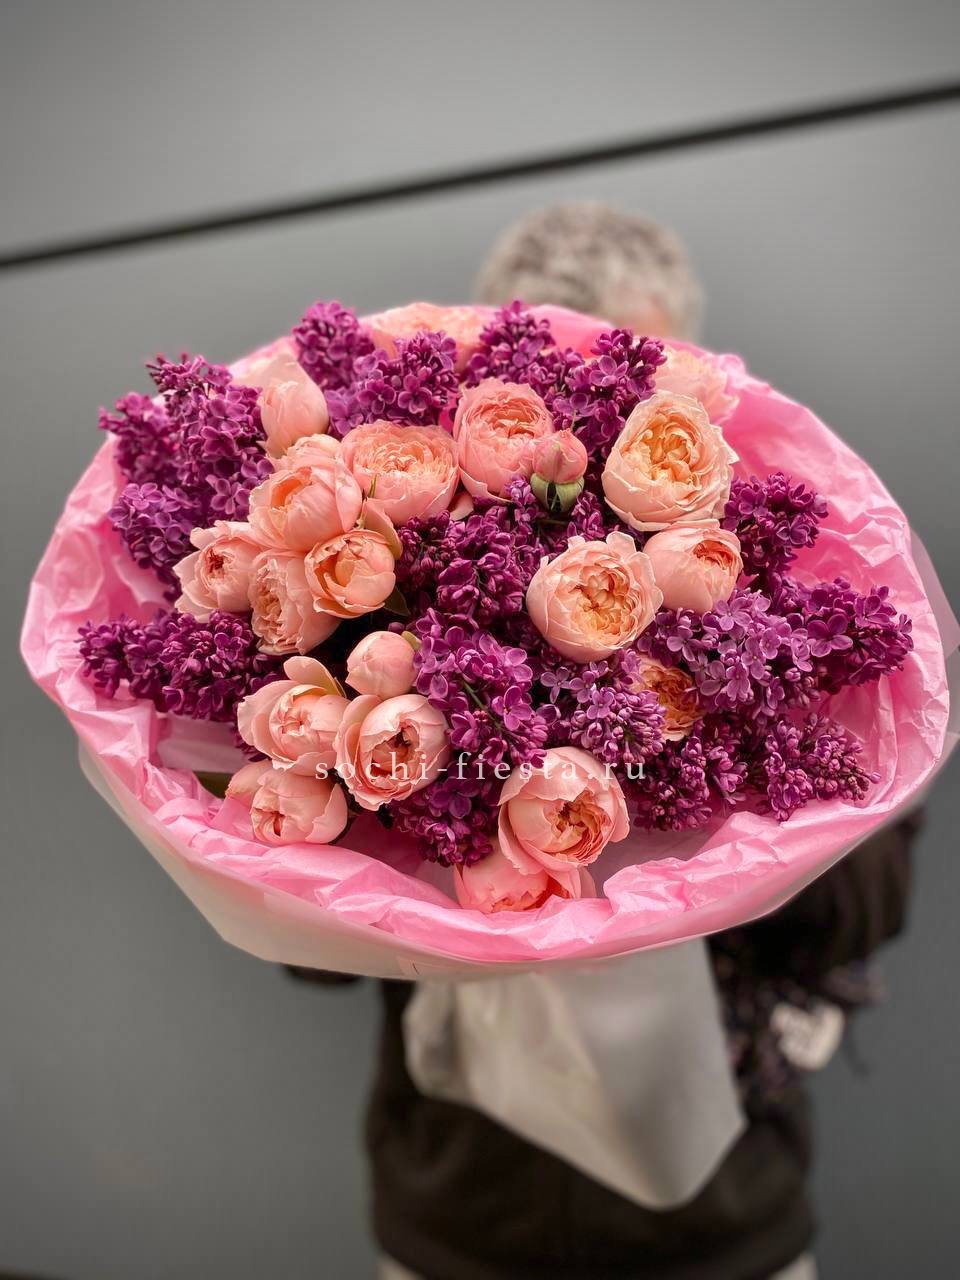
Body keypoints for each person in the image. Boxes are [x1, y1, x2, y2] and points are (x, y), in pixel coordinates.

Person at [292, 203, 921, 1280]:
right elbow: (311, 954)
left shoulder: (793, 606)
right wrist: (399, 794)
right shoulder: (377, 602)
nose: (611, 431)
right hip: (463, 1221)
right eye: (575, 388)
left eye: (647, 393)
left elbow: (869, 909)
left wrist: (724, 817)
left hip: (723, 1225)